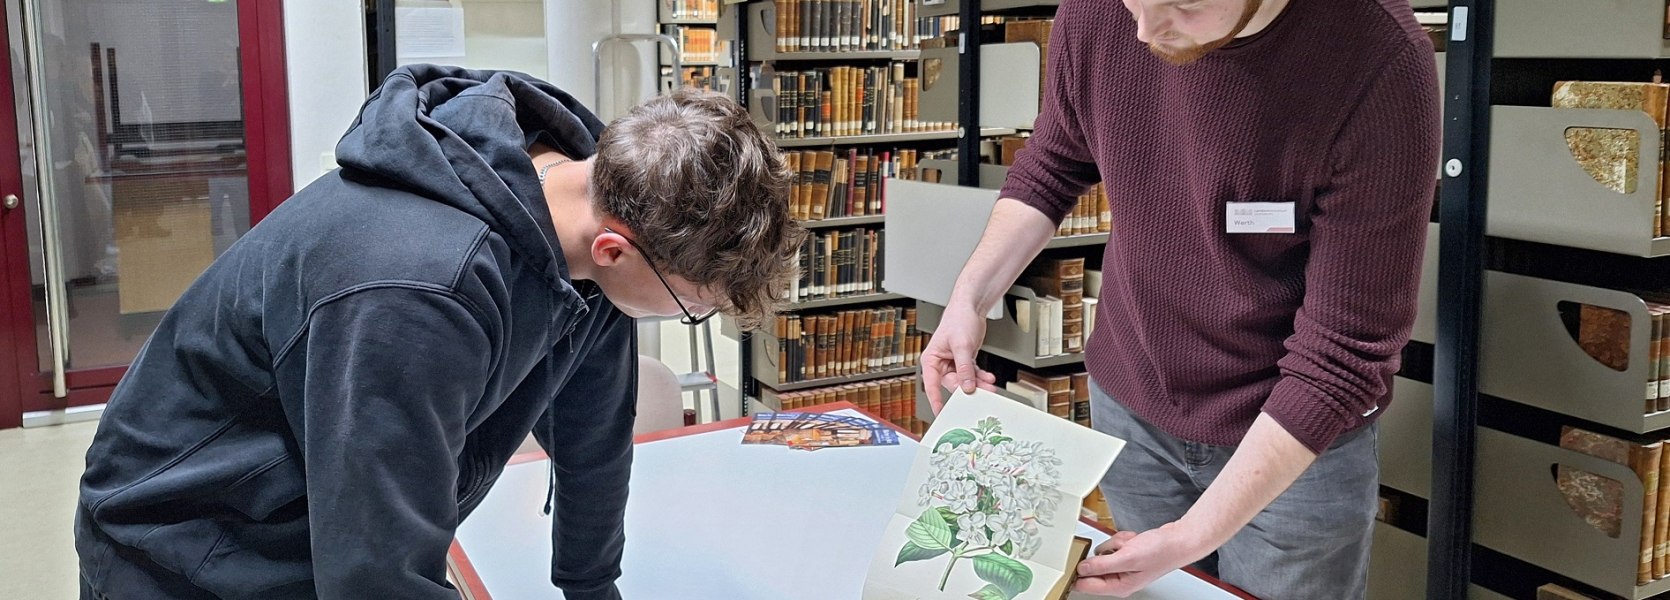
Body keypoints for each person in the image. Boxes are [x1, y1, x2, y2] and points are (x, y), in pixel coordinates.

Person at [74, 65, 802, 599]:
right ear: (616, 248)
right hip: (188, 546)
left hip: (320, 521)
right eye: (687, 305)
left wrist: (590, 587)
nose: (681, 318)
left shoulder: (601, 209)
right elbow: (375, 574)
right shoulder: (415, 290)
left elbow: (593, 440)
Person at [920, 0, 1439, 597]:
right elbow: (1056, 159)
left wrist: (1193, 536)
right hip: (1133, 404)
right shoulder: (1099, 11)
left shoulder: (1379, 60)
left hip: (1293, 441)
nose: (1142, 31)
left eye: (1183, 6)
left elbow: (1343, 356)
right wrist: (969, 296)